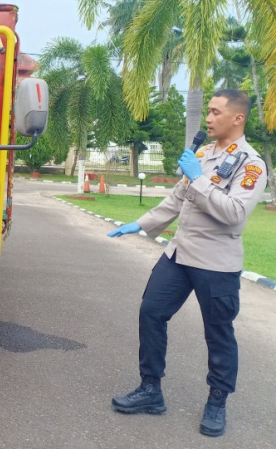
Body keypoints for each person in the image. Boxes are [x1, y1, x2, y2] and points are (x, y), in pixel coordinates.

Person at [107, 89, 267, 437]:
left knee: (219, 333)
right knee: (151, 312)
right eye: (207, 111)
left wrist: (197, 178)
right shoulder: (204, 154)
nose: (207, 119)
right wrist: (141, 223)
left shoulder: (251, 164)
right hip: (180, 255)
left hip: (216, 262)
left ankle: (218, 401)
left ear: (238, 118)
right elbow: (178, 199)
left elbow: (234, 214)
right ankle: (151, 390)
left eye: (215, 112)